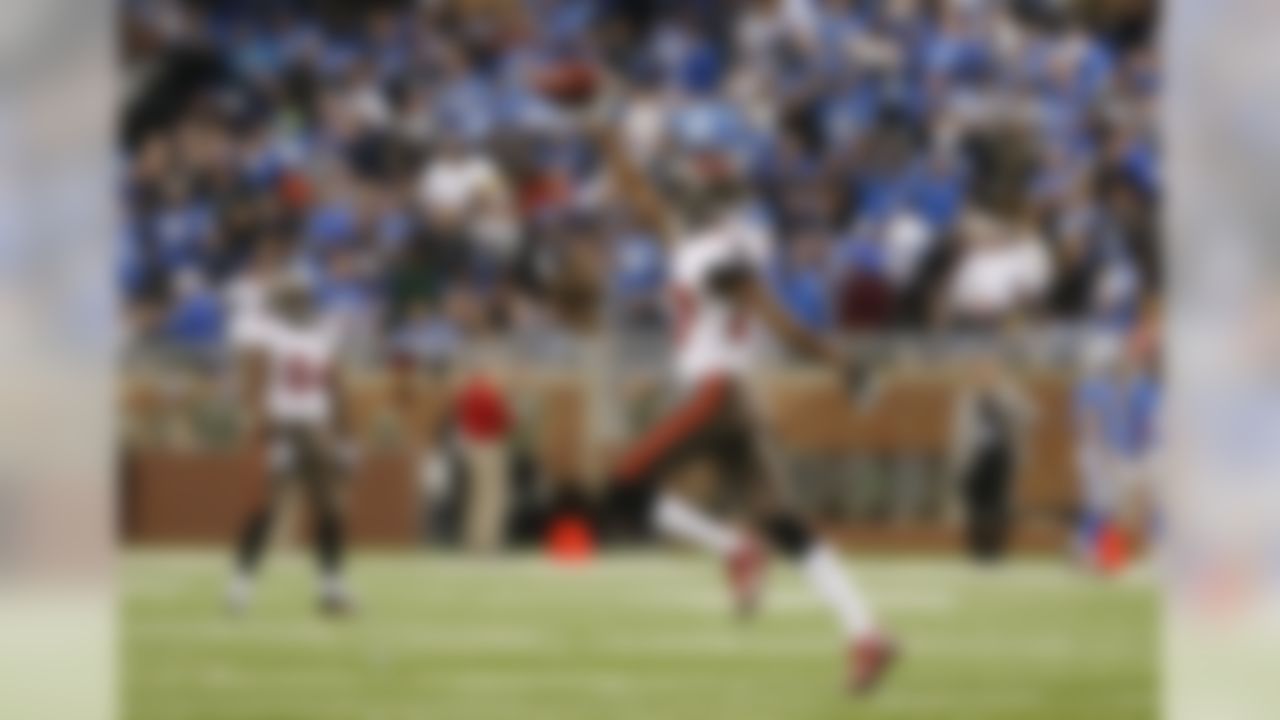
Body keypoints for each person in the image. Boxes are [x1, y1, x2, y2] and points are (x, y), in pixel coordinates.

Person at [582, 108, 896, 695]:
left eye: (696, 186)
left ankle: (734, 548)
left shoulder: (722, 252)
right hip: (728, 394)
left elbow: (780, 323)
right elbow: (638, 190)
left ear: (715, 194)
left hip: (717, 395)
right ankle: (866, 633)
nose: (681, 194)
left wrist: (840, 364)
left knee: (623, 488)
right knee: (785, 522)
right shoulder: (694, 240)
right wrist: (602, 131)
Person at [225, 269, 356, 615]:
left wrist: (344, 436)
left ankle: (332, 589)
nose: (297, 304)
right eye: (292, 298)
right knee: (265, 509)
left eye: (299, 297)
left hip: (312, 426)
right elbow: (256, 379)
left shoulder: (318, 333)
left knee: (329, 509)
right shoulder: (272, 333)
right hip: (283, 424)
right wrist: (261, 425)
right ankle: (240, 588)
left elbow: (336, 387)